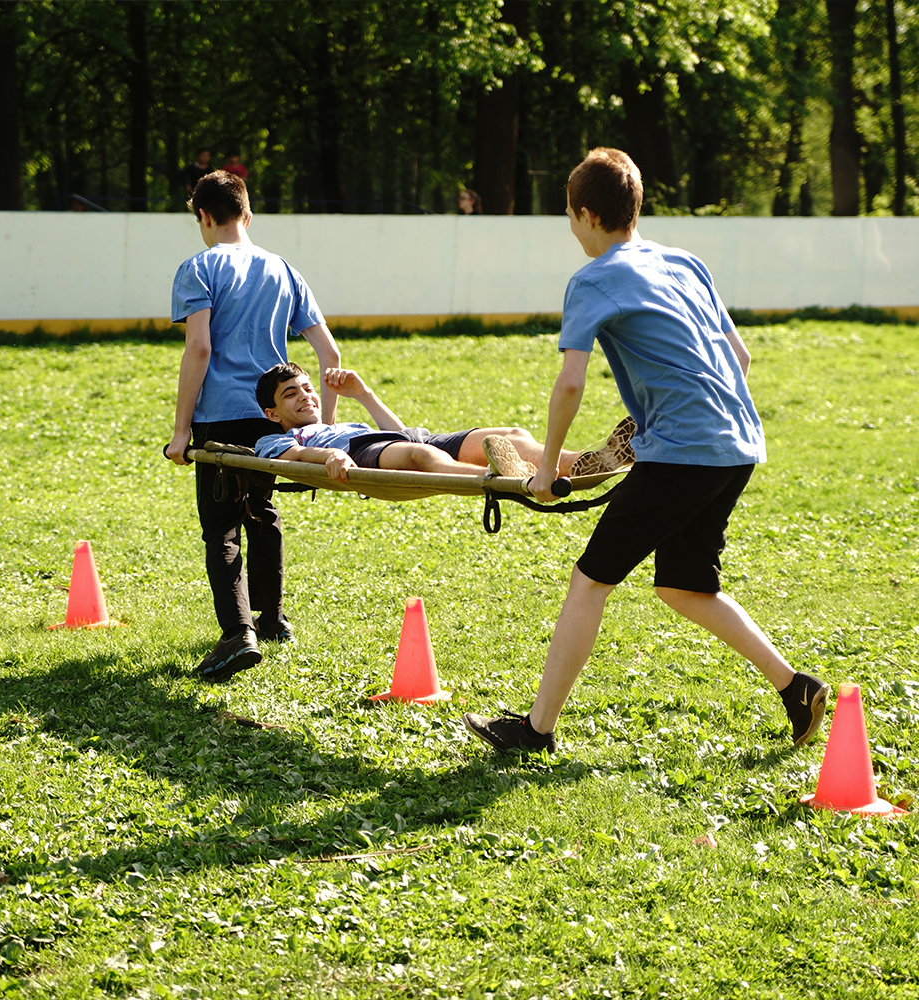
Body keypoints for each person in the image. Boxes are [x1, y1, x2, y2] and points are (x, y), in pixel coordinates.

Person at [463, 147, 829, 755]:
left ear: (586, 215)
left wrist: (547, 470)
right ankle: (797, 688)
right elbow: (739, 358)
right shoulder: (685, 262)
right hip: (738, 444)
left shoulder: (591, 279)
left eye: (569, 217)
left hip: (684, 453)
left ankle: (535, 731)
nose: (571, 228)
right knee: (685, 585)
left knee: (589, 582)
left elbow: (571, 384)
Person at [166, 170, 340, 683]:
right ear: (248, 213)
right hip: (271, 416)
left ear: (203, 216)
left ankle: (237, 634)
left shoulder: (197, 268)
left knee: (221, 525)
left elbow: (199, 348)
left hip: (219, 418)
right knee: (261, 511)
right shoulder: (283, 269)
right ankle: (272, 618)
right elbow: (329, 355)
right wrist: (320, 430)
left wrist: (181, 430)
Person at [254, 362, 593, 481]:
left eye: (308, 388)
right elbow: (295, 457)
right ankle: (505, 478)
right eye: (290, 394)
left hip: (407, 437)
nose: (305, 396)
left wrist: (364, 394)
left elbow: (399, 432)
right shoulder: (277, 439)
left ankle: (585, 462)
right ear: (272, 414)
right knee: (423, 457)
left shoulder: (334, 426)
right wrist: (330, 454)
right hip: (361, 452)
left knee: (513, 433)